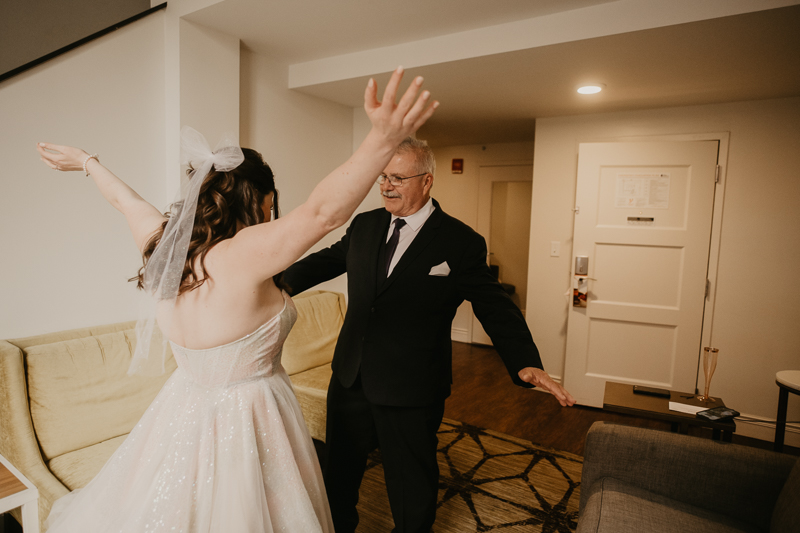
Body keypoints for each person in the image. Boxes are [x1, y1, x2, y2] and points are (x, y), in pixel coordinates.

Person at [35, 66, 437, 532]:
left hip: (182, 407)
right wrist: (382, 140)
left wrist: (88, 162)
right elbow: (324, 212)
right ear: (260, 198)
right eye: (270, 201)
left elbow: (126, 201)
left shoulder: (164, 246)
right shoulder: (244, 254)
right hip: (250, 416)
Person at [282, 137, 576, 533]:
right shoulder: (366, 225)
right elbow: (323, 263)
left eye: (398, 178)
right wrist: (264, 283)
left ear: (427, 181)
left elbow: (493, 304)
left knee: (411, 487)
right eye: (383, 177)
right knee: (338, 477)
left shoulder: (460, 241)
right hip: (351, 376)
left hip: (411, 387)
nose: (386, 186)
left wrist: (525, 360)